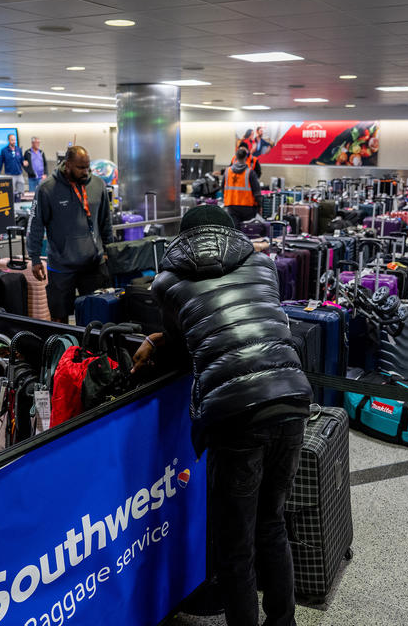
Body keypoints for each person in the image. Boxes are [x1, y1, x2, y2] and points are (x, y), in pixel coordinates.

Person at [131, 204, 312, 626]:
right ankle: (283, 621)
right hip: (291, 397)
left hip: (236, 413)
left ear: (182, 239)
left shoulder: (167, 283)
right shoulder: (264, 267)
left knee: (236, 545)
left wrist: (155, 342)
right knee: (272, 522)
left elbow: (185, 340)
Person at [27, 145, 113, 324]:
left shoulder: (98, 185)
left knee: (96, 315)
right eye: (80, 167)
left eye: (87, 167)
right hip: (61, 266)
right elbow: (35, 224)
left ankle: (93, 351)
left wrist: (108, 250)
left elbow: (105, 221)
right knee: (59, 317)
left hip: (93, 264)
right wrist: (35, 258)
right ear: (67, 165)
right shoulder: (47, 189)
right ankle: (63, 350)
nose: (85, 172)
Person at [222, 146, 262, 227]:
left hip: (231, 205)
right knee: (246, 231)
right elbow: (257, 192)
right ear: (245, 157)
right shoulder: (250, 172)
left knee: (235, 231)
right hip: (247, 207)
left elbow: (222, 188)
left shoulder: (227, 171)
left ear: (236, 157)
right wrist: (259, 205)